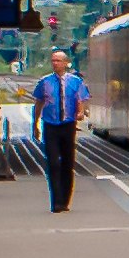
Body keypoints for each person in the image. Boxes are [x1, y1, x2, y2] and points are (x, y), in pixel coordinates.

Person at [37, 52, 86, 212]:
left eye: (58, 61)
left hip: (68, 125)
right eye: (53, 61)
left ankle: (65, 200)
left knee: (67, 162)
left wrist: (80, 112)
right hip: (50, 125)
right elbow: (39, 102)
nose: (55, 63)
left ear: (66, 63)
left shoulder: (76, 82)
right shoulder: (45, 82)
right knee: (53, 162)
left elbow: (80, 100)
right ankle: (56, 202)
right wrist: (35, 122)